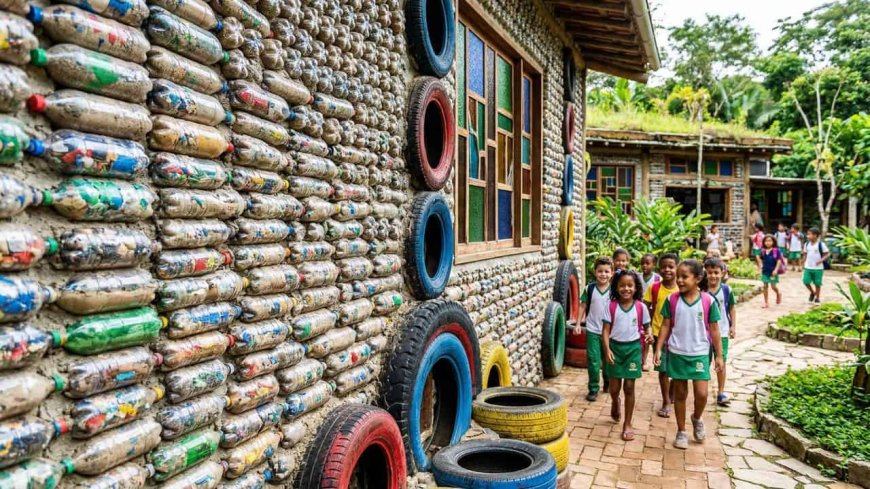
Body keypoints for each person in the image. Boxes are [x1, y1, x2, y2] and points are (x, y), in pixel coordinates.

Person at [654, 259, 724, 450]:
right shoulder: (672, 300)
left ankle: (697, 417)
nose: (680, 280)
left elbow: (715, 330)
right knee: (680, 394)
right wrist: (659, 348)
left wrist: (719, 355)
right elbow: (665, 325)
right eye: (678, 277)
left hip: (700, 353)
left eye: (685, 277)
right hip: (677, 352)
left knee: (702, 393)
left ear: (698, 278)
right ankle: (681, 431)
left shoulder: (708, 301)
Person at [602, 269, 651, 442]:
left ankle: (628, 423)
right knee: (614, 387)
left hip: (633, 350)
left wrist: (649, 335)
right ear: (616, 287)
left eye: (630, 285)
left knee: (629, 387)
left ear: (636, 288)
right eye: (622, 285)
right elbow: (605, 331)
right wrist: (607, 350)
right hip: (615, 349)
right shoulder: (611, 306)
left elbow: (647, 327)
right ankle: (615, 400)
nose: (626, 289)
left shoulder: (641, 307)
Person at [643, 252, 679, 418]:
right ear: (659, 269)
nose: (667, 270)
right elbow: (644, 308)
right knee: (663, 369)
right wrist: (647, 329)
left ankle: (672, 392)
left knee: (676, 370)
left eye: (671, 267)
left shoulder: (682, 288)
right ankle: (666, 401)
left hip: (678, 336)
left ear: (677, 268)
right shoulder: (654, 288)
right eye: (663, 267)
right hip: (659, 334)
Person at [577, 256, 613, 401]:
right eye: (600, 271)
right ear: (595, 272)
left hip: (610, 332)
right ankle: (593, 388)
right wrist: (578, 324)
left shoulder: (614, 291)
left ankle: (608, 381)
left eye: (606, 271)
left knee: (608, 359)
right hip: (592, 330)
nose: (603, 274)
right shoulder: (590, 288)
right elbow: (582, 306)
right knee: (593, 360)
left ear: (611, 273)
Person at [704, 257, 736, 406]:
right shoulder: (701, 290)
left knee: (721, 362)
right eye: (710, 272)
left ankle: (721, 392)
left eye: (716, 272)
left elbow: (732, 308)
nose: (713, 276)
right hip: (704, 334)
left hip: (722, 332)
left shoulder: (726, 290)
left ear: (722, 273)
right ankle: (702, 391)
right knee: (704, 362)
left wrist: (733, 326)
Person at [757, 234, 787, 308]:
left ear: (773, 242)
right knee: (765, 286)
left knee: (773, 286)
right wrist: (760, 265)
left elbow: (779, 261)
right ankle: (766, 302)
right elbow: (759, 258)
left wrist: (776, 270)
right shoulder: (763, 251)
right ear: (764, 242)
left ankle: (778, 293)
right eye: (766, 241)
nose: (768, 242)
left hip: (773, 272)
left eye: (770, 241)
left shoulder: (776, 250)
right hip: (765, 271)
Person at [802, 227, 830, 304]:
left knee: (817, 283)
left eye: (809, 234)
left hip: (818, 268)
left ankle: (817, 298)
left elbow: (827, 254)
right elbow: (805, 254)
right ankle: (812, 292)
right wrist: (803, 262)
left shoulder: (821, 244)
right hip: (808, 266)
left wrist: (821, 260)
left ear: (815, 235)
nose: (807, 236)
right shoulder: (806, 244)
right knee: (806, 281)